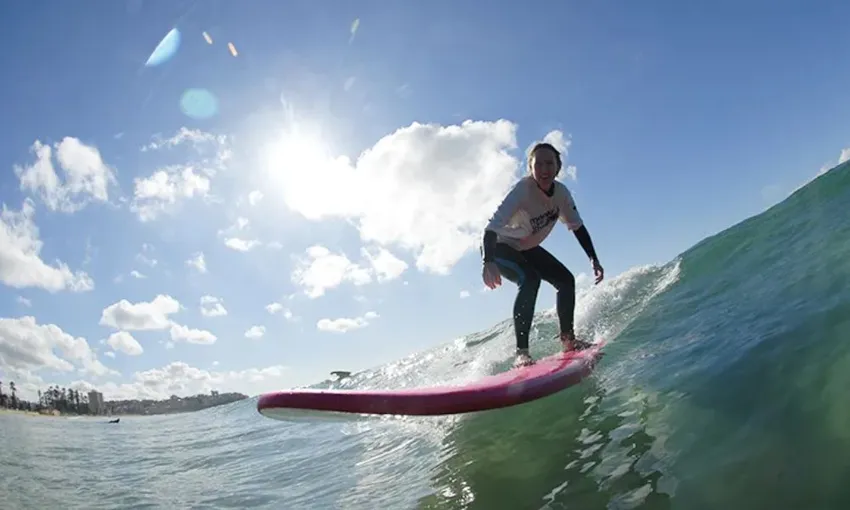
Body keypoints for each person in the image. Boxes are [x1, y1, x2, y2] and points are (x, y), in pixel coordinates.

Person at [481, 141, 604, 368]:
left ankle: (568, 341)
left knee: (566, 281)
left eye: (550, 164)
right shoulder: (522, 191)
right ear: (531, 168)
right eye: (539, 164)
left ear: (558, 168)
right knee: (530, 280)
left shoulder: (562, 194)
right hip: (498, 246)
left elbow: (577, 227)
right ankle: (522, 353)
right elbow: (490, 229)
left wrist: (593, 258)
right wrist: (488, 261)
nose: (544, 169)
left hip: (524, 247)